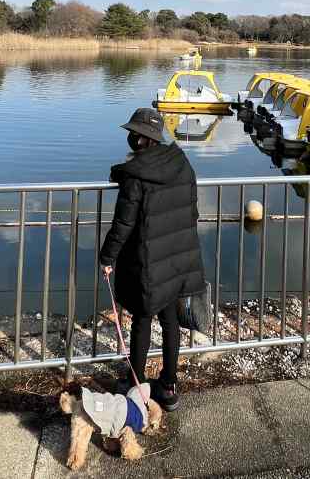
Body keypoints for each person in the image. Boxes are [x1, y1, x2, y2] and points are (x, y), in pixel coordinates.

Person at [99, 107, 204, 412]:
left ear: (142, 139)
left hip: (148, 261)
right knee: (170, 322)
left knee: (143, 319)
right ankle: (169, 386)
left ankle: (135, 383)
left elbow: (123, 224)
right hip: (176, 259)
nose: (131, 138)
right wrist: (123, 172)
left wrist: (107, 258)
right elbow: (192, 211)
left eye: (134, 133)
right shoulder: (181, 163)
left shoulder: (136, 177)